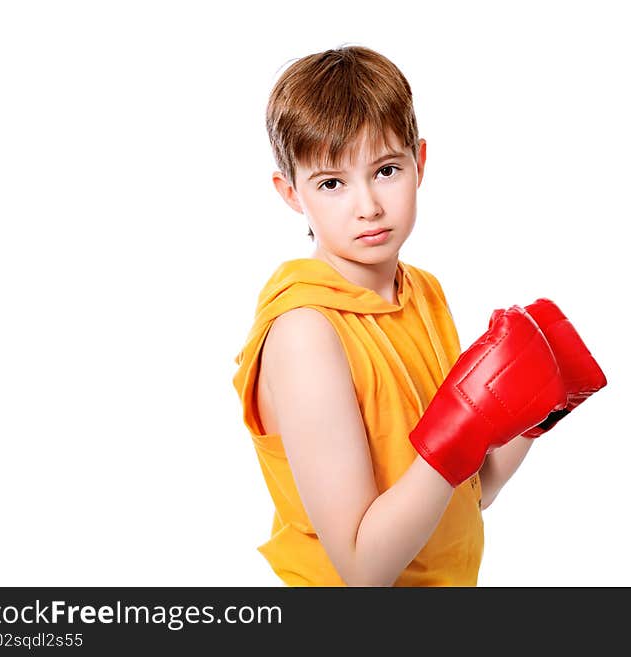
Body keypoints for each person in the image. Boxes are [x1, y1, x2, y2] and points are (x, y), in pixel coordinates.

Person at [232, 45, 606, 587]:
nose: (367, 206)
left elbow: (468, 495)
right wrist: (464, 424)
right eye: (331, 183)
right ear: (291, 194)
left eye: (385, 170)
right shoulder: (305, 334)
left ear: (420, 163)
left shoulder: (422, 294)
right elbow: (365, 569)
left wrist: (533, 415)